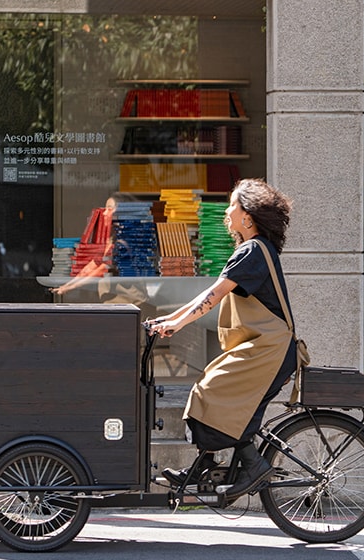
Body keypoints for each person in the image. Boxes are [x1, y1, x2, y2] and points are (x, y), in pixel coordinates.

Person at [146, 178, 297, 500]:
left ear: (248, 216)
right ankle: (206, 465)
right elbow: (210, 291)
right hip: (264, 348)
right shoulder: (251, 250)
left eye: (232, 205)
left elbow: (213, 296)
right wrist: (171, 320)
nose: (226, 211)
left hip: (270, 352)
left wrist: (177, 322)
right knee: (210, 391)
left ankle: (253, 467)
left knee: (213, 390)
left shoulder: (253, 251)